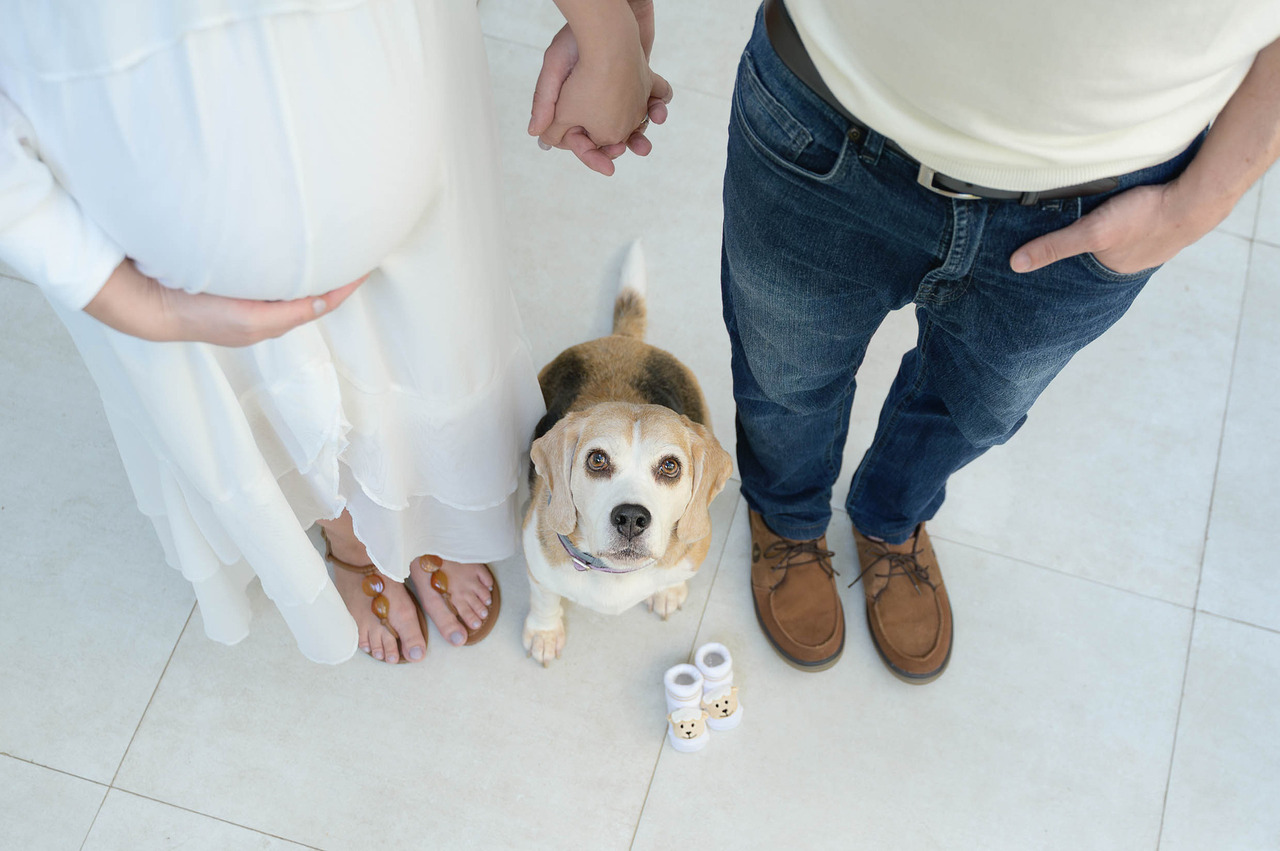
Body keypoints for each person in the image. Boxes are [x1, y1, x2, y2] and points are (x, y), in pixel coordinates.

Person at [530, 0, 1280, 681]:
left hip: (1099, 197)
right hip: (821, 120)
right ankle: (787, 519)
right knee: (785, 380)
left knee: (980, 408)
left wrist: (1202, 201)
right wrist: (608, 30)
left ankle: (891, 518)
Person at [0, 0, 666, 665]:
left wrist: (606, 33)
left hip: (393, 83)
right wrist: (121, 296)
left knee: (423, 339)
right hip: (129, 206)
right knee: (257, 390)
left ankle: (420, 519)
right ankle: (348, 540)